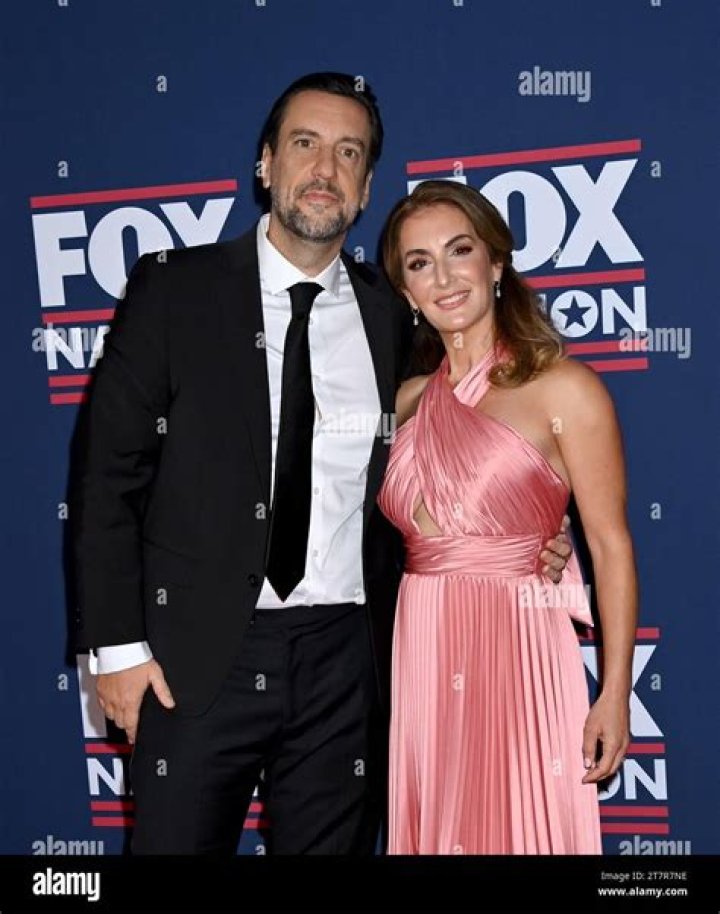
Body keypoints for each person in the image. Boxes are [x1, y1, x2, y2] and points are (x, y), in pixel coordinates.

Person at [70, 73, 573, 855]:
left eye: (349, 152)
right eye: (305, 144)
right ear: (266, 163)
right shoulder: (176, 291)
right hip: (195, 657)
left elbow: (463, 439)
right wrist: (118, 649)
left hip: (348, 660)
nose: (325, 169)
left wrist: (532, 534)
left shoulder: (394, 312)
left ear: (367, 187)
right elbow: (107, 478)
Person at [378, 180, 638, 855]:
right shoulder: (401, 404)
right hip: (424, 642)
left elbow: (610, 545)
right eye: (420, 263)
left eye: (460, 251)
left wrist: (614, 692)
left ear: (496, 262)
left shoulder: (565, 389)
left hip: (520, 642)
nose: (443, 278)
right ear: (406, 291)